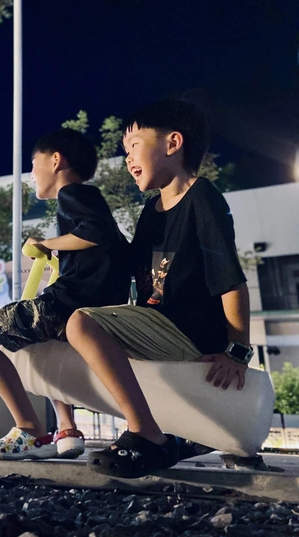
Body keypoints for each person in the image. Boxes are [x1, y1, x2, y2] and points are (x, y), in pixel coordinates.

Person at [66, 99, 250, 478]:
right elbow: (127, 268)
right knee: (71, 325)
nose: (127, 158)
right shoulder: (151, 212)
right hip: (159, 327)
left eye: (134, 145)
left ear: (173, 143)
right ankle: (173, 433)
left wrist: (237, 351)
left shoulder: (202, 197)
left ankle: (146, 434)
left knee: (82, 323)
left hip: (192, 334)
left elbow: (229, 278)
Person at [0, 128, 130, 460]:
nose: (31, 174)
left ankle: (29, 429)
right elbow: (110, 242)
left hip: (69, 301)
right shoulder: (91, 199)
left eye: (33, 163)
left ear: (56, 160)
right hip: (92, 306)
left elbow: (95, 234)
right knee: (48, 350)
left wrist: (44, 244)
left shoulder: (72, 194)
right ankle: (65, 427)